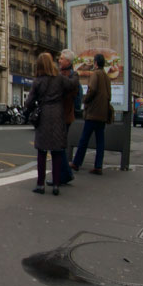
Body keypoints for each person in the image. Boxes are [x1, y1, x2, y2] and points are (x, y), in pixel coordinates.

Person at [24, 52, 76, 195]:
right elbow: (72, 85)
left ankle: (40, 184)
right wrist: (74, 73)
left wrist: (35, 106)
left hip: (44, 116)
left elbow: (28, 103)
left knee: (42, 151)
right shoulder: (59, 78)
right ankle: (56, 185)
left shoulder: (38, 81)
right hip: (58, 115)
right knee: (57, 151)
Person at [71, 53, 112, 175]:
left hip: (93, 113)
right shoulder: (106, 76)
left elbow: (92, 90)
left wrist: (86, 100)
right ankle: (98, 166)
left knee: (84, 139)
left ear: (95, 63)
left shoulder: (96, 74)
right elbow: (109, 95)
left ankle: (76, 163)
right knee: (100, 141)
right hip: (103, 114)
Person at [58, 49, 81, 186]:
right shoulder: (63, 74)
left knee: (60, 146)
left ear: (68, 61)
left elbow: (71, 89)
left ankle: (65, 174)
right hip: (59, 114)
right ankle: (64, 174)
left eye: (61, 58)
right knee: (59, 145)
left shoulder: (73, 76)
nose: (59, 60)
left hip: (65, 115)